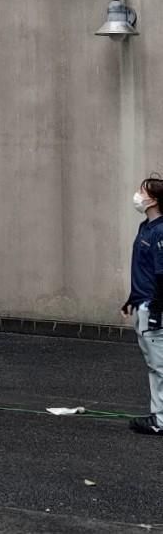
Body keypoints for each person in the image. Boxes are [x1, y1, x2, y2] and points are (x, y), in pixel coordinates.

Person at [122, 175, 163, 435]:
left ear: (154, 200)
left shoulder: (160, 231)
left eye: (143, 191)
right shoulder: (144, 227)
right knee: (154, 365)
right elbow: (143, 269)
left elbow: (162, 275)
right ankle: (157, 415)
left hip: (154, 307)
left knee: (160, 366)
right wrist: (131, 298)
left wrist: (157, 309)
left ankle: (161, 420)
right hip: (142, 303)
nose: (138, 195)